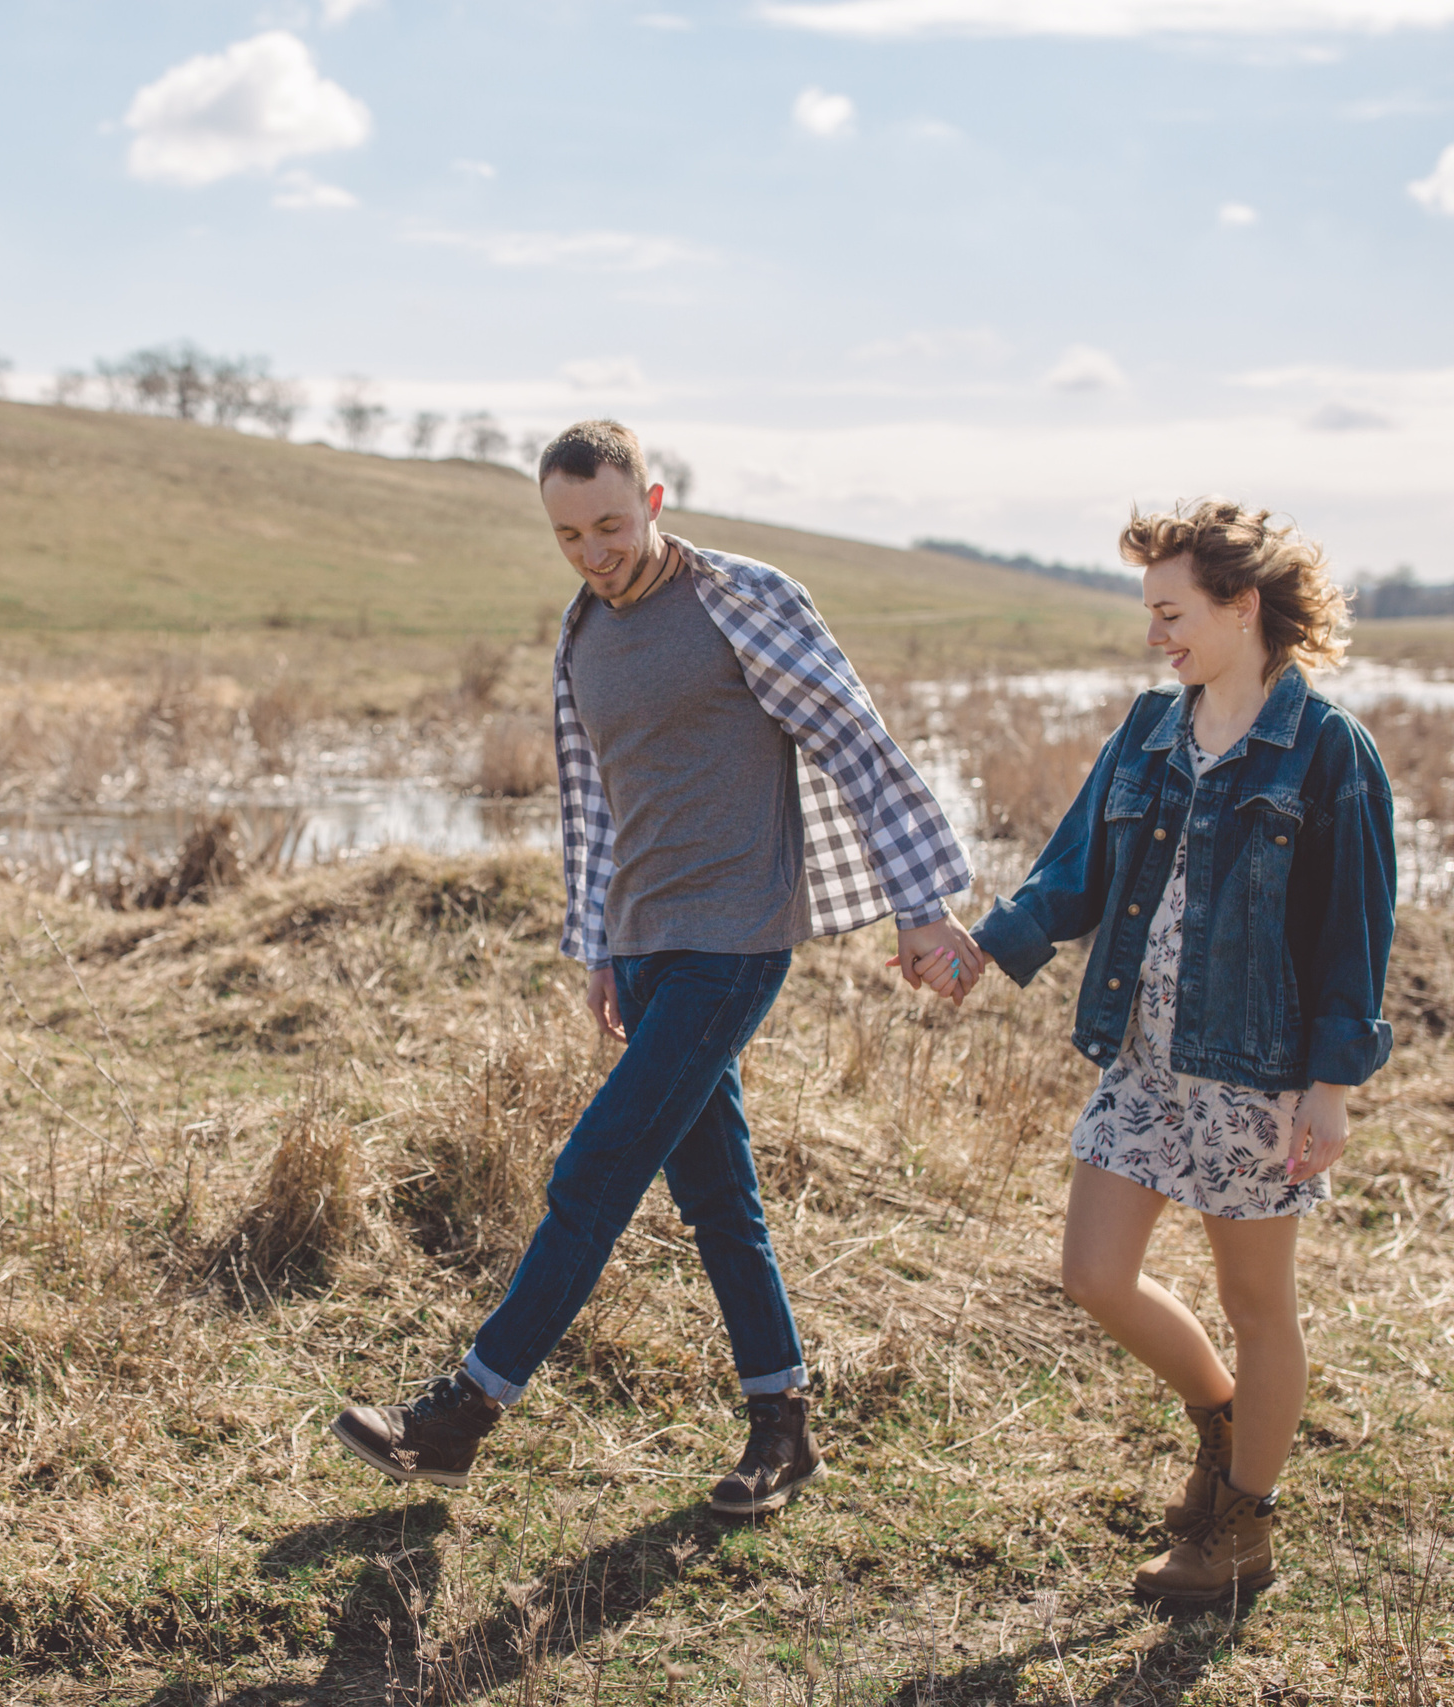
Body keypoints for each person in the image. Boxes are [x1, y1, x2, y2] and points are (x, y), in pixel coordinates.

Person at [330, 419, 982, 1515]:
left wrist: (921, 909)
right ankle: (781, 1424)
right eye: (569, 533)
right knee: (719, 1195)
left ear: (656, 501)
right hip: (643, 945)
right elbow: (596, 808)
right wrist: (599, 944)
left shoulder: (743, 599)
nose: (593, 551)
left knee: (594, 1168)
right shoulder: (582, 634)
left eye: (611, 525)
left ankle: (463, 1414)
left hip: (733, 942)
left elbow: (853, 740)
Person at [967, 499, 1394, 1609]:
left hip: (1256, 1075)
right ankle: (1223, 1428)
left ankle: (1242, 1529)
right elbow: (1072, 874)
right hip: (1143, 1059)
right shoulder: (1149, 730)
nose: (1156, 634)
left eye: (1171, 611)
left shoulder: (1325, 749)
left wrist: (1332, 1088)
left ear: (1239, 606)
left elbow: (1355, 929)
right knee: (1093, 1276)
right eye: (1149, 612)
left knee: (1261, 1308)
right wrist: (980, 950)